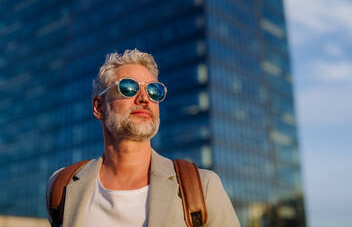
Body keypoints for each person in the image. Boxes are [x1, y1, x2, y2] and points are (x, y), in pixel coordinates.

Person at [46, 49, 240, 227]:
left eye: (153, 91)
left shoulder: (202, 187)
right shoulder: (61, 186)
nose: (144, 98)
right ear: (99, 107)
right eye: (128, 88)